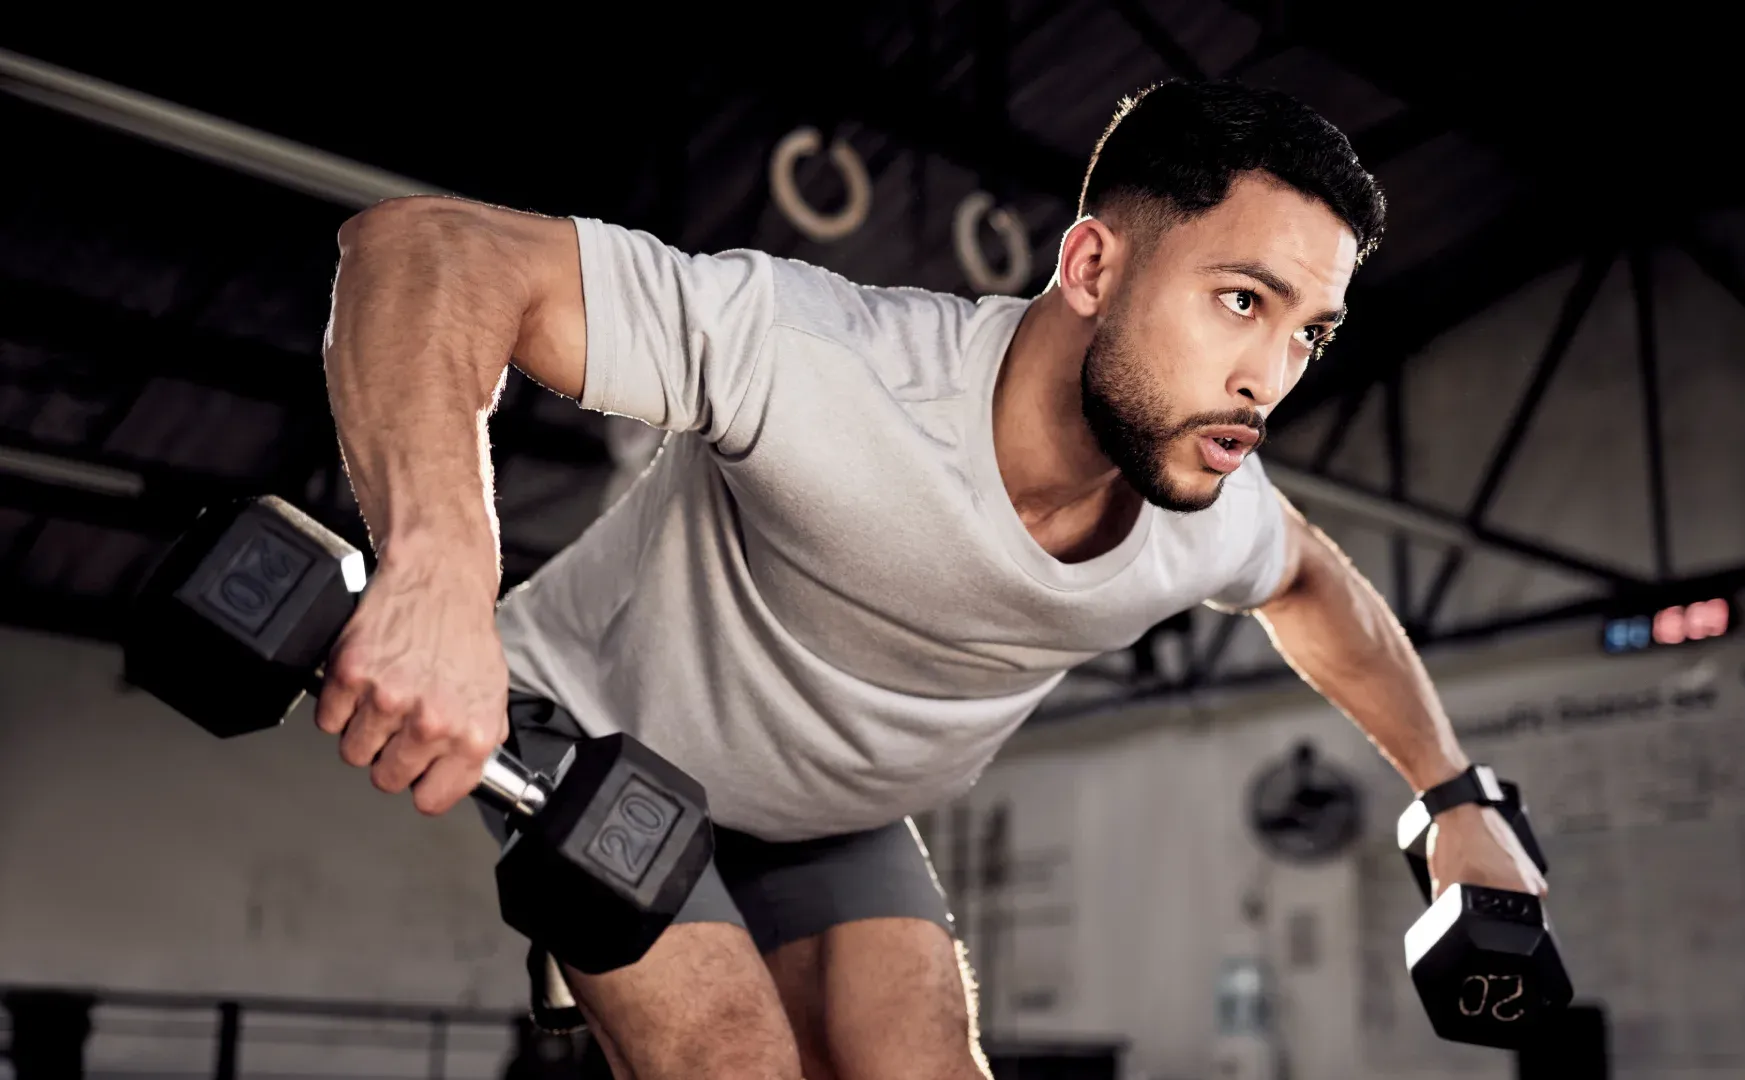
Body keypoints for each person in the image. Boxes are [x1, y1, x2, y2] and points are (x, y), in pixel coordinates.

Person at [318, 79, 1546, 1079]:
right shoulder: (822, 361)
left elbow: (1314, 585)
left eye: (1307, 334)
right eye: (1241, 301)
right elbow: (427, 251)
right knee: (733, 1058)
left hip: (832, 810)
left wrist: (1456, 799)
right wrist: (437, 568)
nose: (1269, 378)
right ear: (1093, 268)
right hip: (593, 731)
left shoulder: (1202, 506)